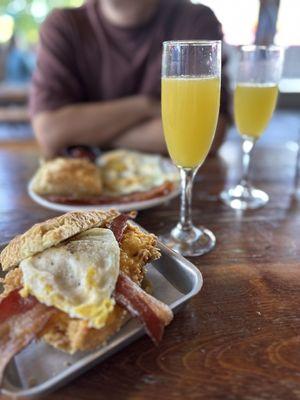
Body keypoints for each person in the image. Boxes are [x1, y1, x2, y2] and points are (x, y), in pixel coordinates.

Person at [30, 0, 231, 159]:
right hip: (86, 188)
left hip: (175, 187)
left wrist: (88, 133)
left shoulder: (195, 19)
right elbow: (50, 131)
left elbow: (207, 134)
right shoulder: (64, 25)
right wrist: (145, 106)